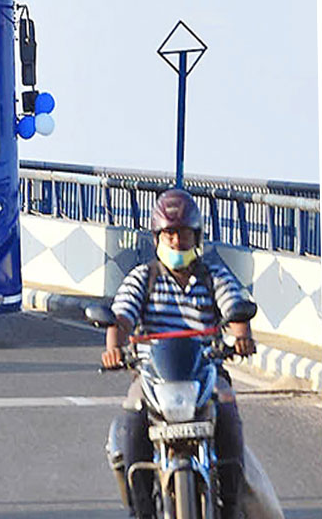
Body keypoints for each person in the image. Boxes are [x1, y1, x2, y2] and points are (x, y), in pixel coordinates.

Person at [103, 189, 253, 519]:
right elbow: (121, 318)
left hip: (207, 371)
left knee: (227, 409)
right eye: (169, 233)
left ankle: (230, 504)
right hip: (153, 374)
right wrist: (114, 347)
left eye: (183, 232)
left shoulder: (215, 276)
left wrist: (242, 337)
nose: (176, 240)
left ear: (195, 236)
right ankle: (140, 509)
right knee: (132, 416)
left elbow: (236, 311)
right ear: (157, 237)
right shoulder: (142, 277)